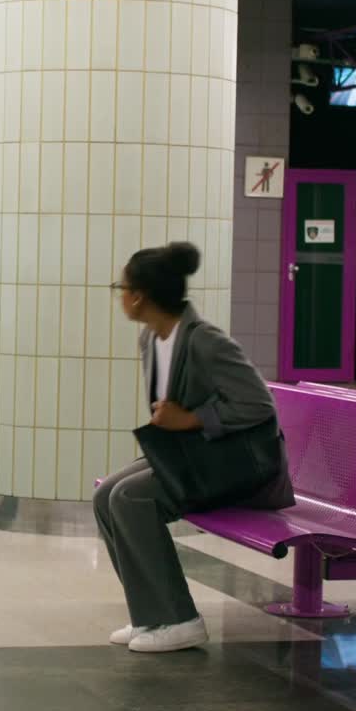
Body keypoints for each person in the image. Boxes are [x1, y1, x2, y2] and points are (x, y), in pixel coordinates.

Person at [93, 242, 294, 655]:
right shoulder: (151, 339)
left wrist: (191, 419)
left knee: (130, 497)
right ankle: (152, 614)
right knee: (104, 495)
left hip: (238, 470)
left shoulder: (206, 342)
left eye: (123, 287)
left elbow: (259, 405)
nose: (121, 296)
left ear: (140, 295)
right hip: (198, 460)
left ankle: (181, 619)